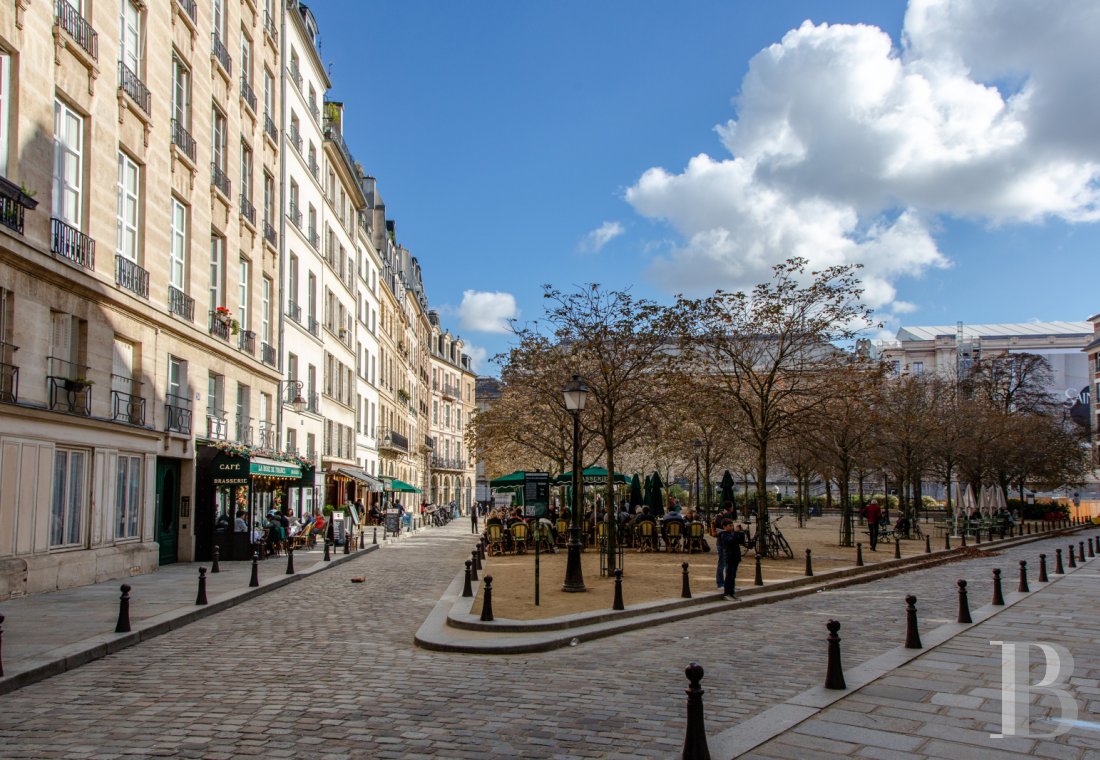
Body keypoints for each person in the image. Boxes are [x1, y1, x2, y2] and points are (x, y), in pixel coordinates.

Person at [716, 519, 747, 598]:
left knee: (733, 576)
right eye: (730, 526)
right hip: (729, 557)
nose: (732, 527)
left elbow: (741, 541)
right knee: (729, 575)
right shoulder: (723, 535)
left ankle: (731, 592)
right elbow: (730, 541)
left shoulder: (732, 534)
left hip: (735, 556)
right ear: (724, 527)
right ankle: (727, 593)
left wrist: (741, 533)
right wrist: (736, 533)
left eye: (732, 525)